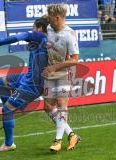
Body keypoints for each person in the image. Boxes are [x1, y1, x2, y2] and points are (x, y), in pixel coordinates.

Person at [0, 16, 49, 152]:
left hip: (33, 84)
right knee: (1, 82)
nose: (32, 30)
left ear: (40, 28)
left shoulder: (39, 36)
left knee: (6, 109)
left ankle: (9, 143)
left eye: (33, 27)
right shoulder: (47, 40)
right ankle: (11, 113)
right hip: (27, 77)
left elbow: (19, 37)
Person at [41, 4, 81, 152]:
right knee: (48, 107)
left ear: (57, 18)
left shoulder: (69, 34)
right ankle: (72, 134)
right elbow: (40, 23)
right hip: (50, 73)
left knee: (61, 104)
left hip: (64, 73)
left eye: (50, 18)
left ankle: (57, 141)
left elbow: (75, 59)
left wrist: (55, 67)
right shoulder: (49, 27)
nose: (49, 21)